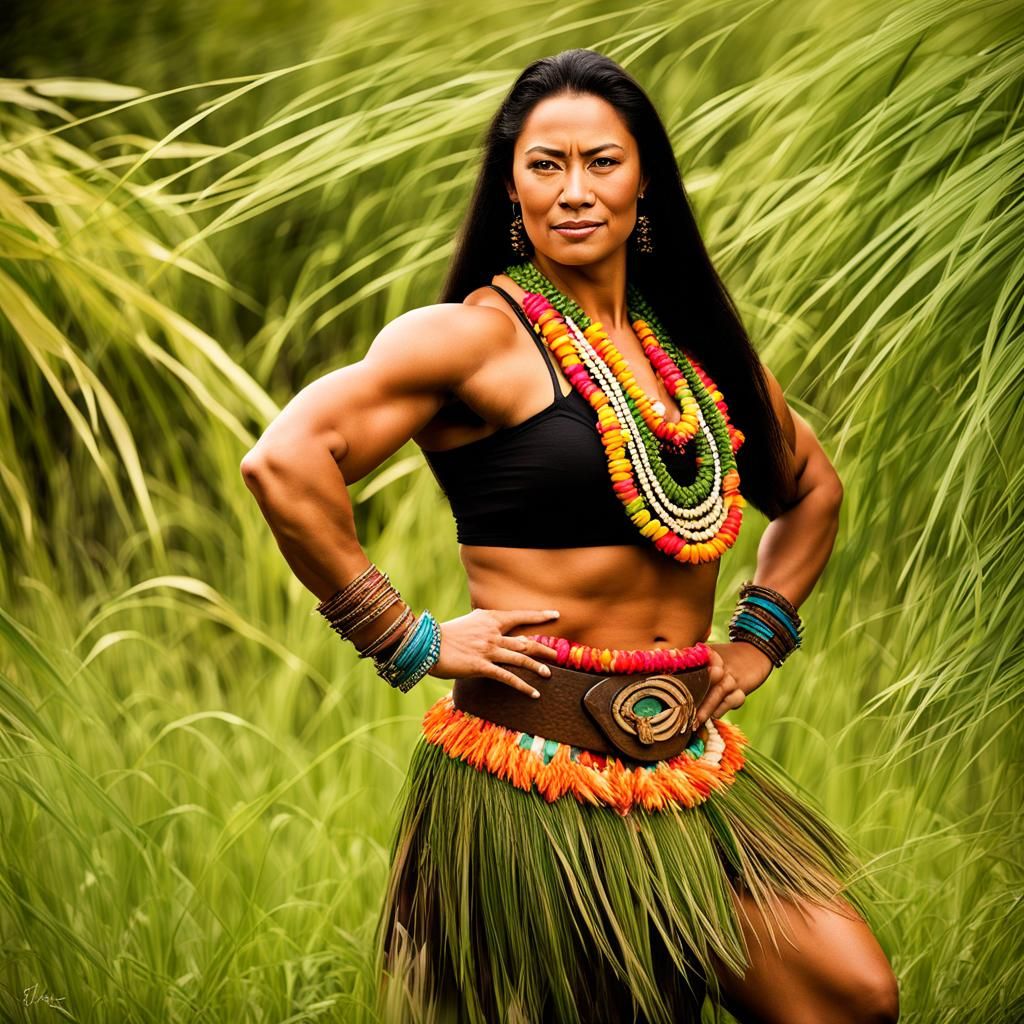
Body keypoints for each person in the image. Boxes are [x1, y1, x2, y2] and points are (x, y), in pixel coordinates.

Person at [240, 48, 899, 1024]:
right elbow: (285, 460)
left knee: (852, 997)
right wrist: (406, 637)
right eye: (546, 164)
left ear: (645, 180)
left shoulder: (690, 355)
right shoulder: (473, 339)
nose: (575, 190)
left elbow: (809, 489)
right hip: (532, 775)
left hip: (684, 760)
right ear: (512, 185)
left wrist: (757, 639)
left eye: (603, 161)